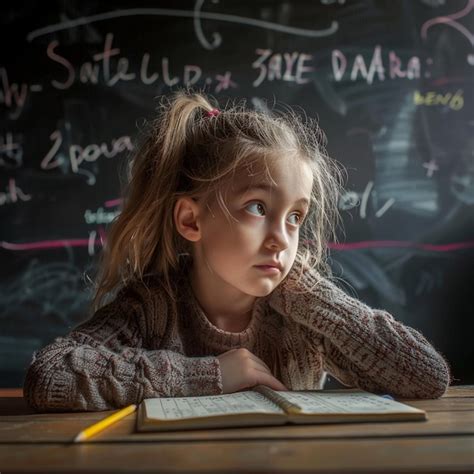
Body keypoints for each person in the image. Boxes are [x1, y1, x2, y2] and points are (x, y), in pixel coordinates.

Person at [23, 88, 452, 412]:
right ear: (191, 220)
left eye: (295, 217)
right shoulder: (153, 306)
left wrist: (311, 296)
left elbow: (427, 377)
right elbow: (49, 375)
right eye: (257, 207)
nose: (281, 238)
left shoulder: (300, 310)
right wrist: (212, 375)